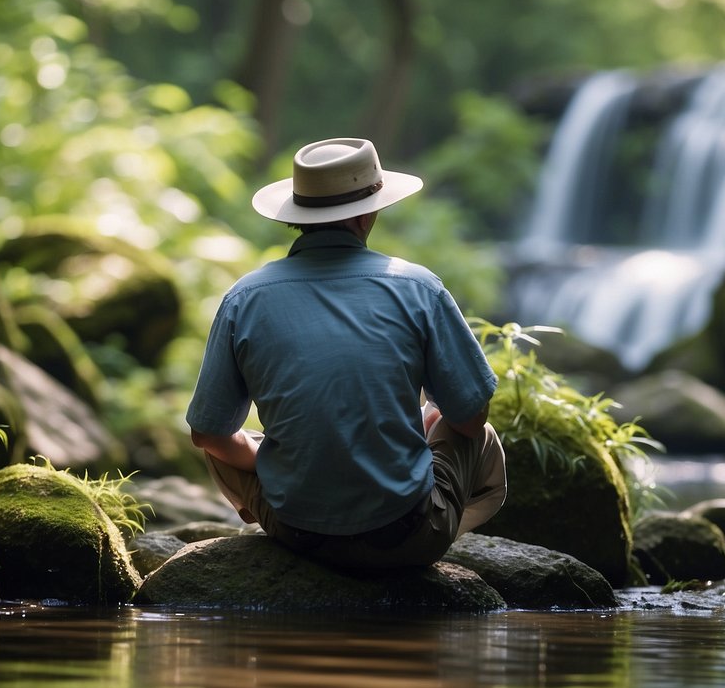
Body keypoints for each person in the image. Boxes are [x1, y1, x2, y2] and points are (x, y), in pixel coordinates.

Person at [186, 137, 507, 569]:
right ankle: (431, 539)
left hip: (298, 535)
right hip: (406, 536)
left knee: (225, 446)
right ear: (366, 213)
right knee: (478, 435)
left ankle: (313, 534)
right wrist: (433, 421)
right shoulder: (418, 287)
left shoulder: (244, 298)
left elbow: (207, 434)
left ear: (298, 215)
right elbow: (471, 416)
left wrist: (270, 458)